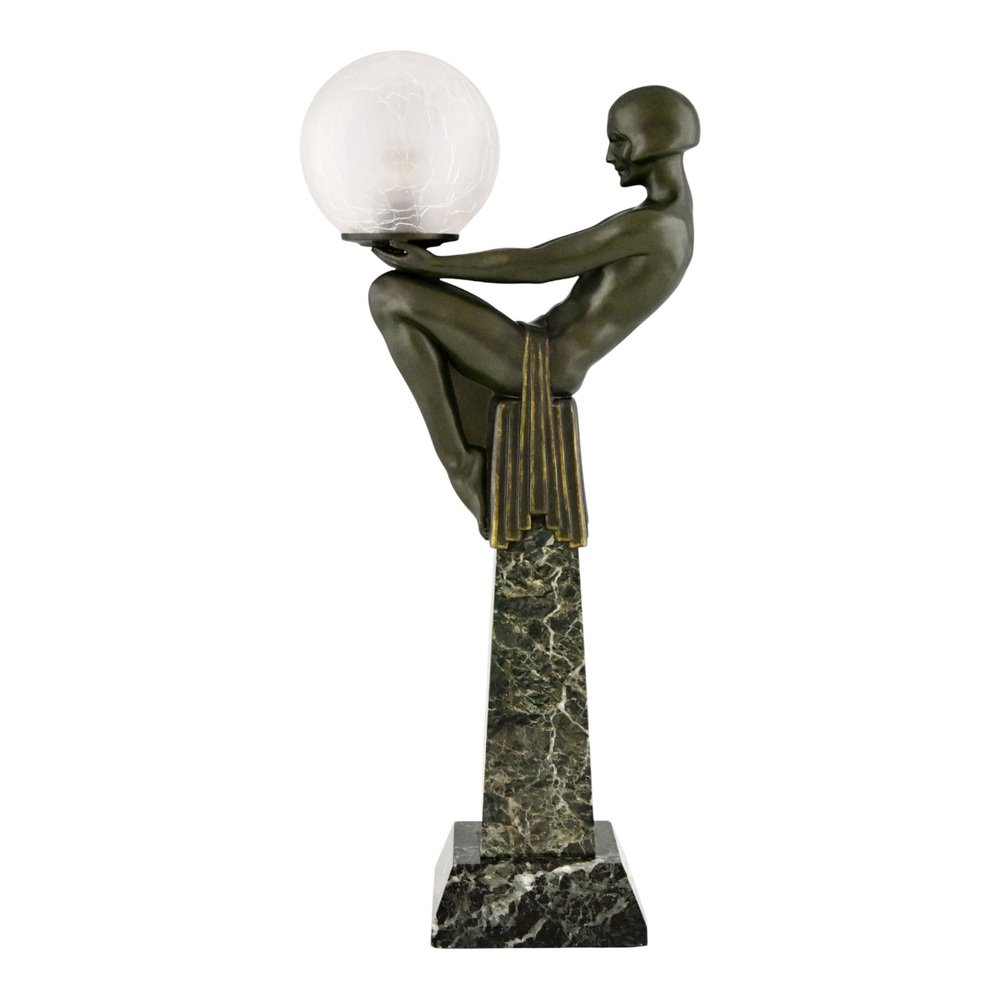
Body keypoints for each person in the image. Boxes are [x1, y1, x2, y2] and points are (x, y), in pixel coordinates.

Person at [368, 85, 699, 533]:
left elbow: (538, 264)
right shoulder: (664, 219)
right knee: (404, 301)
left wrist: (435, 266)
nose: (609, 156)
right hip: (538, 350)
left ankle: (460, 462)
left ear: (655, 139)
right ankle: (474, 449)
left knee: (390, 295)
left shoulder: (657, 228)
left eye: (619, 140)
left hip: (541, 363)